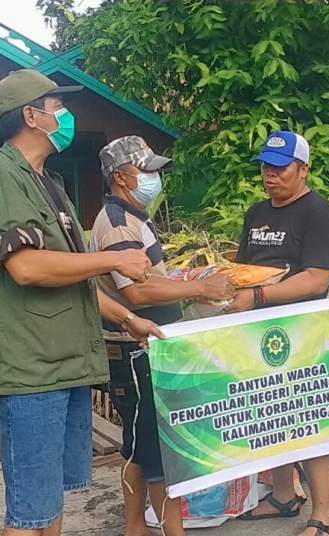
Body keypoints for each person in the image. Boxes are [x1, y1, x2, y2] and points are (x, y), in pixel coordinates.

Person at [0, 70, 164, 536]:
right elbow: (28, 267)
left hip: (65, 362)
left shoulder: (49, 182)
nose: (65, 116)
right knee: (27, 511)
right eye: (58, 108)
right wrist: (109, 259)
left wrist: (128, 317)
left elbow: (74, 278)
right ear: (31, 116)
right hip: (31, 368)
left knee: (50, 501)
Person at [89, 136, 235, 536]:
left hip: (146, 347)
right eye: (147, 171)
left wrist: (186, 282)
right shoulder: (118, 224)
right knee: (155, 454)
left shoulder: (134, 216)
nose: (155, 178)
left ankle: (135, 527)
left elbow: (150, 280)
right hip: (136, 350)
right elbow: (136, 292)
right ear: (120, 177)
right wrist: (201, 290)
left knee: (141, 447)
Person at [227, 130, 329, 536]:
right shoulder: (257, 211)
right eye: (265, 166)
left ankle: (324, 516)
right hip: (259, 330)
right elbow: (244, 266)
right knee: (270, 415)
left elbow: (315, 279)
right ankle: (283, 495)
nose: (270, 175)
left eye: (280, 168)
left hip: (302, 331)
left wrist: (258, 296)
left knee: (309, 420)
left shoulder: (320, 214)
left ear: (303, 168)